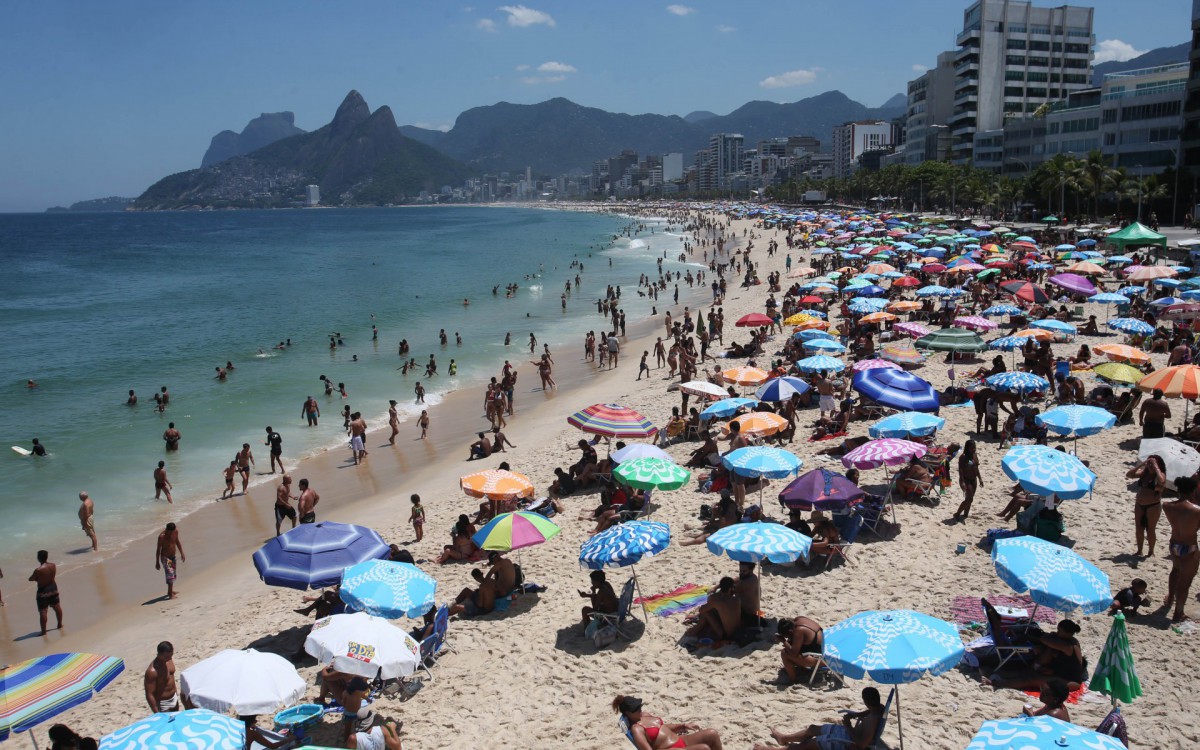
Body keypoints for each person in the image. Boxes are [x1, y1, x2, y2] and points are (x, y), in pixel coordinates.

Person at [753, 687, 883, 750]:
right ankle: (784, 738)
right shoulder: (878, 708)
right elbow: (868, 712)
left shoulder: (874, 720)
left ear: (866, 701)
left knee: (809, 744)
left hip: (848, 742)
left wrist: (848, 726)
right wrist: (856, 715)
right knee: (813, 728)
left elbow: (862, 744)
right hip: (849, 734)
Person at [988, 619, 1087, 692]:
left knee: (1030, 679)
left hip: (1070, 680)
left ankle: (1000, 683)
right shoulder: (1071, 641)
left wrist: (1051, 635)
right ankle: (1004, 678)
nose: (1057, 633)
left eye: (1059, 631)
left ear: (1068, 633)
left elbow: (1044, 639)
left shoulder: (1067, 646)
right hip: (1060, 672)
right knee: (1029, 671)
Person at [612, 695, 724, 750]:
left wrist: (683, 725)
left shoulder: (644, 715)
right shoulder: (636, 729)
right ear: (628, 713)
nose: (639, 709)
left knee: (712, 733)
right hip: (669, 749)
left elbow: (664, 727)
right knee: (703, 749)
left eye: (639, 706)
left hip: (680, 740)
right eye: (636, 709)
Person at [1162, 474, 1200, 623]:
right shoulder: (1196, 510)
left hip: (1174, 544)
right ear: (1192, 491)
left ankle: (1170, 598)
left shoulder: (1167, 506)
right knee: (1185, 582)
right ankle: (1179, 613)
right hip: (1189, 546)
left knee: (1175, 570)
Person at [1126, 454, 1165, 557]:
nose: (1150, 466)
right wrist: (1143, 464)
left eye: (1152, 464)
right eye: (1149, 464)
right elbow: (1129, 475)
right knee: (1139, 528)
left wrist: (1156, 467)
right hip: (1139, 504)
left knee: (1150, 529)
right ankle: (1139, 550)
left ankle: (1151, 551)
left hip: (1153, 506)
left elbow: (1161, 481)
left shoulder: (1160, 475)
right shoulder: (1144, 473)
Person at [684, 577, 741, 642]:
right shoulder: (737, 599)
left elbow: (701, 610)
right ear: (731, 588)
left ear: (721, 587)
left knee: (706, 612)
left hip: (726, 635)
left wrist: (710, 598)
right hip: (738, 631)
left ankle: (695, 630)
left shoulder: (717, 601)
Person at [776, 616, 823, 685]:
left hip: (821, 660)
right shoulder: (799, 619)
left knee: (784, 653)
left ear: (790, 631)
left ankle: (793, 680)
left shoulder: (799, 631)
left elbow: (793, 653)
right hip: (823, 649)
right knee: (790, 646)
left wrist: (783, 641)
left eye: (788, 636)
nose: (788, 638)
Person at [29, 550, 62, 635]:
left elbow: (31, 579)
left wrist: (37, 579)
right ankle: (59, 624)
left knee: (43, 612)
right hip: (53, 588)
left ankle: (43, 631)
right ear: (46, 557)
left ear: (38, 558)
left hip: (43, 591)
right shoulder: (53, 565)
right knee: (57, 607)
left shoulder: (38, 570)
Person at [144, 641, 179, 713]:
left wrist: (176, 693)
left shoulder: (169, 660)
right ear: (159, 654)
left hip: (174, 697)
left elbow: (171, 678)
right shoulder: (152, 671)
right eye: (167, 657)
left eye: (171, 655)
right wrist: (156, 712)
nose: (169, 658)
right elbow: (149, 694)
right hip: (163, 703)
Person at [952, 440, 982, 522]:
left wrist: (980, 479)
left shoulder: (975, 455)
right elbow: (961, 471)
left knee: (970, 498)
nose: (974, 449)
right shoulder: (963, 457)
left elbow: (976, 468)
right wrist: (962, 482)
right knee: (969, 498)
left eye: (974, 447)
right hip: (966, 479)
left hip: (974, 479)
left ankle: (965, 514)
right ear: (967, 447)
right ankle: (957, 513)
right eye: (972, 447)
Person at [155, 523, 185, 600]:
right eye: (169, 532)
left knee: (173, 574)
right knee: (170, 574)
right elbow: (158, 550)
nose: (171, 534)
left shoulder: (175, 532)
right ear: (167, 530)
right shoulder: (161, 537)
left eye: (172, 532)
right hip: (165, 558)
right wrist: (157, 562)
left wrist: (182, 553)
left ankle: (170, 591)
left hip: (172, 557)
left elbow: (177, 542)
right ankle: (170, 595)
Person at [735, 561, 761, 626]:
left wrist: (716, 587)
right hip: (755, 611)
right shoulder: (753, 577)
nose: (741, 573)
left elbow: (727, 589)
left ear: (751, 570)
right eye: (740, 570)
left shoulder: (746, 583)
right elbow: (737, 579)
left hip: (747, 615)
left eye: (744, 571)